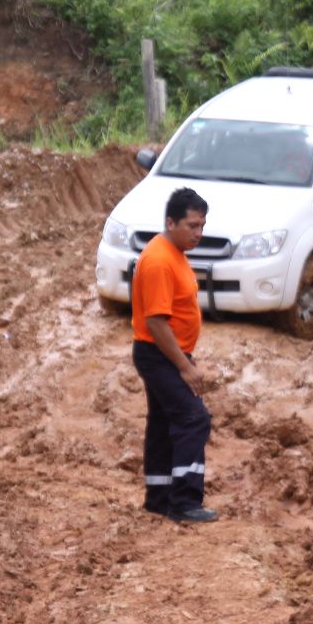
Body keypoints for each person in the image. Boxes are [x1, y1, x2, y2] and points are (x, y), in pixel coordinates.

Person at [131, 188, 218, 523]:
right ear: (171, 222)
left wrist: (185, 355)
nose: (198, 233)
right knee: (193, 419)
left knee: (164, 422)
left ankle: (159, 497)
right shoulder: (159, 260)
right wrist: (184, 366)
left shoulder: (174, 252)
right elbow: (155, 322)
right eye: (192, 225)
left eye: (202, 225)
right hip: (158, 354)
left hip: (166, 352)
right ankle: (184, 502)